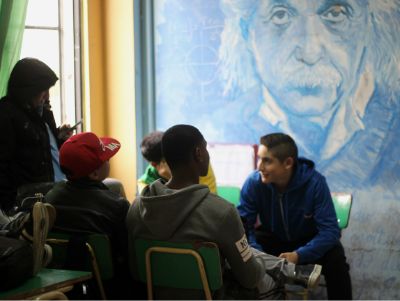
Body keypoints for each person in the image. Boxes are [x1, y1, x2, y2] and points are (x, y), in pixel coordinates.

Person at [127, 124, 322, 299]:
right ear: (198, 154)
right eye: (206, 148)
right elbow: (250, 278)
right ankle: (286, 272)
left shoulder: (136, 208)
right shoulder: (221, 212)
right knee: (271, 283)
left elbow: (135, 270)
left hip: (157, 295)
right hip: (212, 295)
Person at [219, 0, 400, 188]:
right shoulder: (221, 129)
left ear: (368, 27)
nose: (310, 53)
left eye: (336, 14)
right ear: (248, 33)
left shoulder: (393, 126)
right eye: (280, 15)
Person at [238, 133, 352, 300]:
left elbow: (330, 231)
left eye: (267, 161)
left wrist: (299, 255)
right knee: (242, 250)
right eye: (259, 159)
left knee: (336, 257)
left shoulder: (315, 183)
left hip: (306, 241)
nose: (259, 167)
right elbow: (244, 226)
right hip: (273, 238)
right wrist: (261, 256)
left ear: (288, 163)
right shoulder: (254, 183)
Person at [44, 132, 135, 299]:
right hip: (108, 288)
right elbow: (129, 253)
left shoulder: (50, 198)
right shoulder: (117, 205)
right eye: (106, 159)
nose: (109, 160)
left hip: (63, 284)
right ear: (94, 174)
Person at [0, 57, 73, 214]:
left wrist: (60, 138)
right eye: (43, 90)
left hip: (52, 189)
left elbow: (45, 149)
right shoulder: (6, 114)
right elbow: (2, 164)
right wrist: (10, 208)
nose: (47, 96)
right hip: (28, 197)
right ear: (29, 89)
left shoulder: (42, 111)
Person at [137, 130, 217, 194]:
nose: (176, 159)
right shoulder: (145, 183)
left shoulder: (197, 161)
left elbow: (209, 200)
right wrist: (173, 179)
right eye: (168, 159)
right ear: (154, 165)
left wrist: (177, 179)